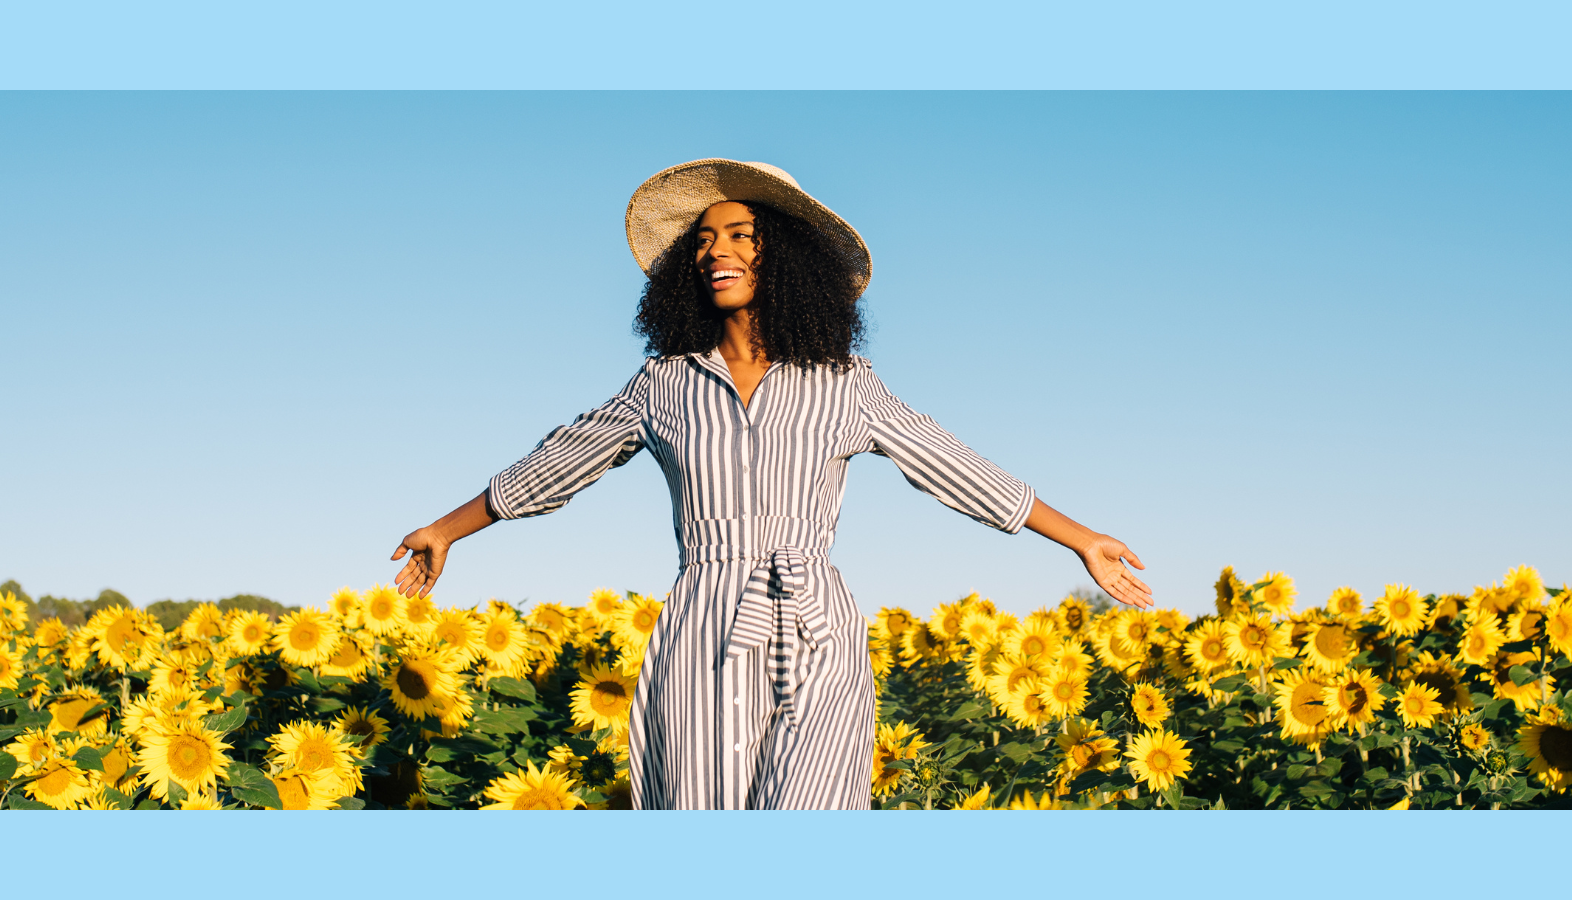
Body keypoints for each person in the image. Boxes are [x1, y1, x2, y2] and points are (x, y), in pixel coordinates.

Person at [390, 158, 1152, 809]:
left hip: (817, 625)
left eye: (738, 235)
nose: (713, 251)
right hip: (705, 628)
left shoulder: (845, 383)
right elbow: (557, 463)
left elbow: (952, 464)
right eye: (703, 239)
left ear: (781, 256)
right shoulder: (663, 384)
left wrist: (1081, 539)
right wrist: (445, 530)